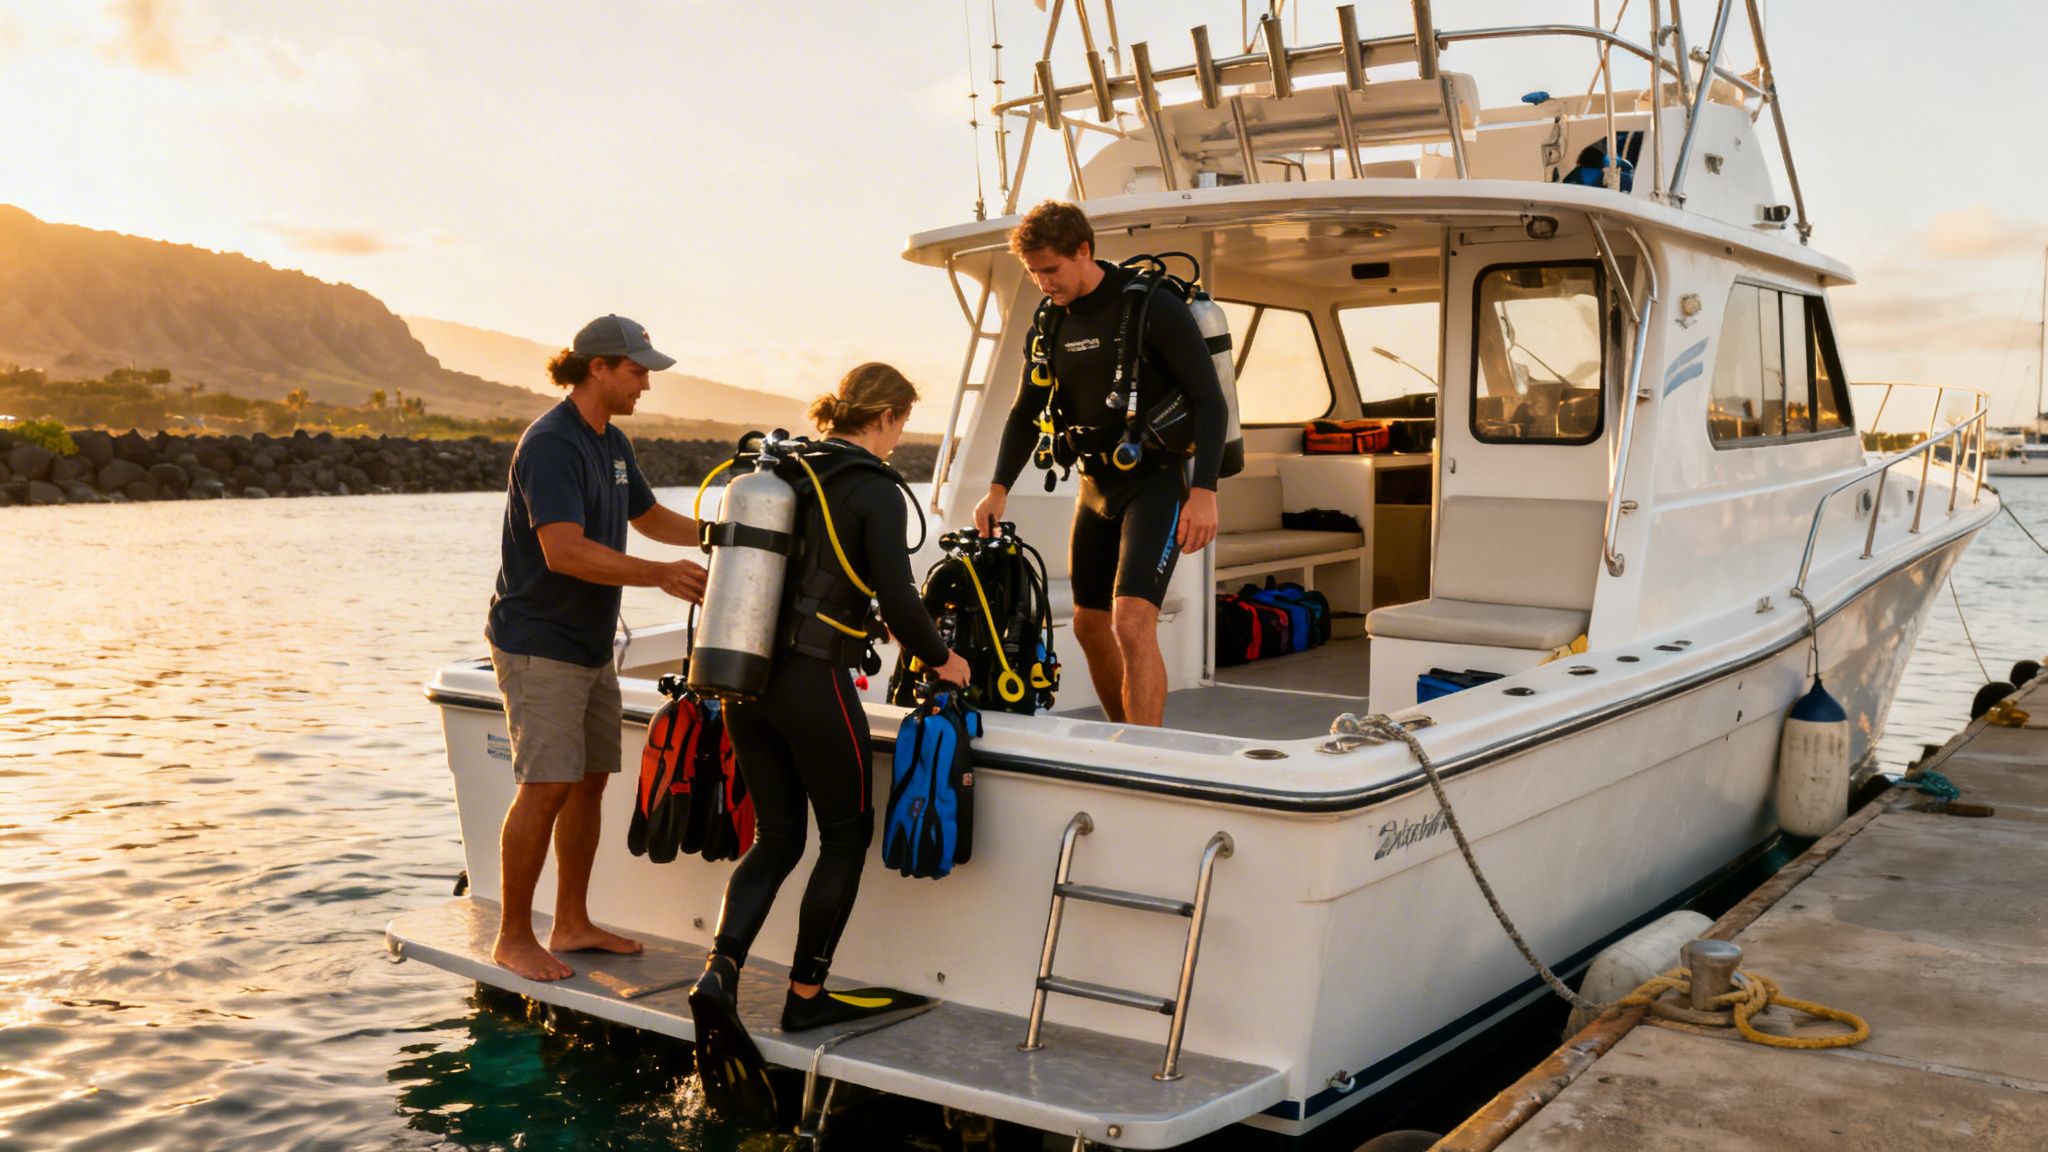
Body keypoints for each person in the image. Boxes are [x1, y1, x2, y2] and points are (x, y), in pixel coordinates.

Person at [688, 363, 970, 1112]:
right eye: (902, 424)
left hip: (748, 679)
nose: (899, 437)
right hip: (815, 685)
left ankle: (719, 972)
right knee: (845, 834)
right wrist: (945, 659)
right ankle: (807, 992)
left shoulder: (787, 471)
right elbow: (901, 598)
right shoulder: (872, 484)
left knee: (777, 836)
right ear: (887, 417)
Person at [485, 313, 709, 983]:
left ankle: (571, 922)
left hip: (588, 643)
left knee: (588, 784)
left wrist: (729, 535)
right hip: (539, 644)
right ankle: (513, 936)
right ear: (598, 368)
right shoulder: (552, 443)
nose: (646, 383)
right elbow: (564, 551)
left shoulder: (612, 442)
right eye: (638, 370)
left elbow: (650, 519)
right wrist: (660, 575)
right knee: (545, 786)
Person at [973, 201, 1226, 727]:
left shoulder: (1151, 306)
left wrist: (1204, 491)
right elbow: (1025, 412)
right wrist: (998, 487)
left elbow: (1210, 399)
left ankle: (1145, 755)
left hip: (1156, 481)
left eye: (1051, 270)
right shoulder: (1049, 321)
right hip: (1095, 486)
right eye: (1034, 273)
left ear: (1083, 251)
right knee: (1090, 627)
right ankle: (1123, 740)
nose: (1043, 283)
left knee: (1132, 623)